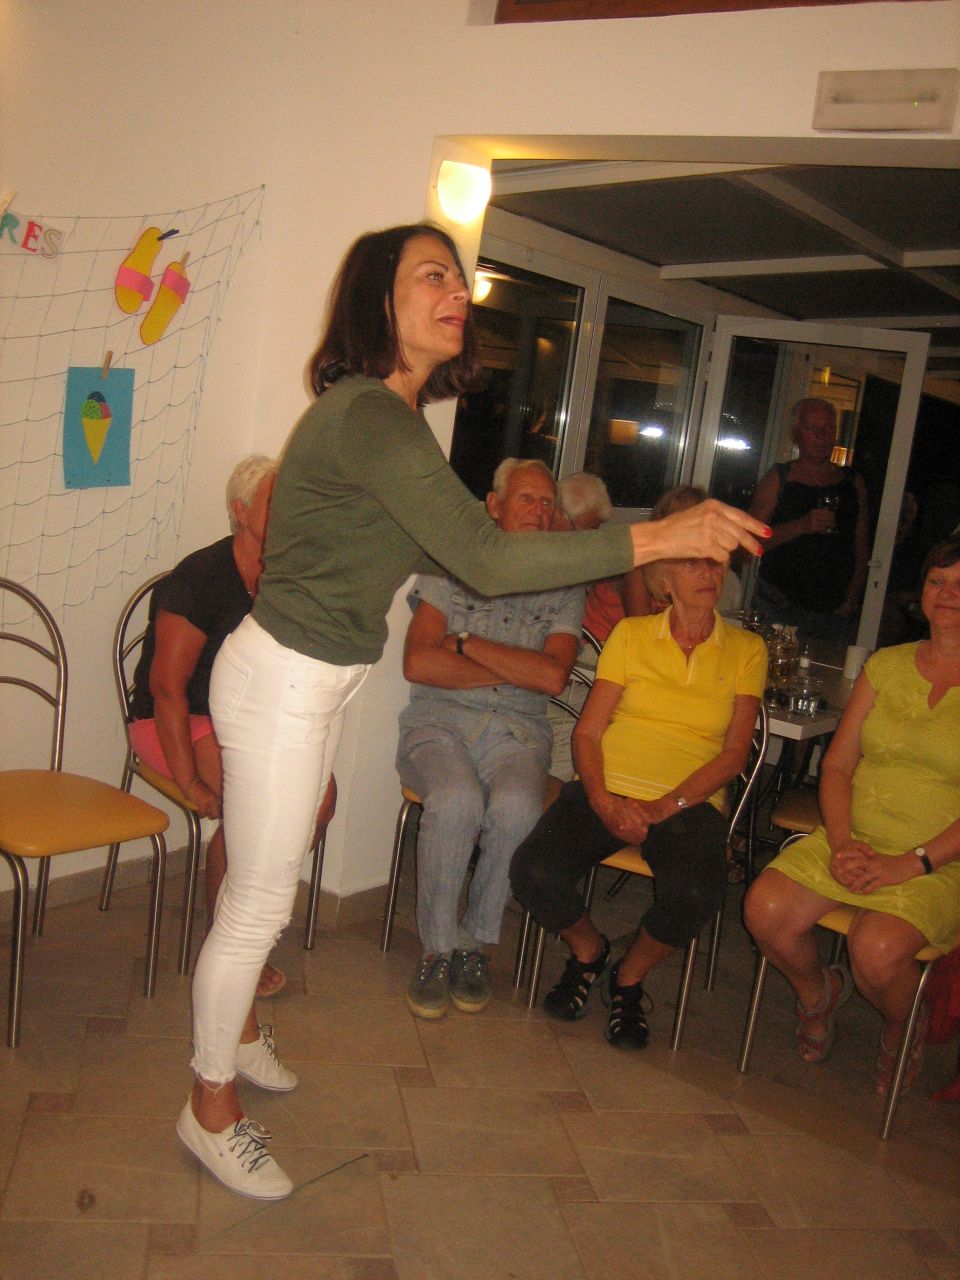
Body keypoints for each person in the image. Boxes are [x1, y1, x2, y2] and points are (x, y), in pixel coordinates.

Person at [178, 221, 769, 1201]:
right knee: (258, 902)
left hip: (307, 681)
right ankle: (208, 1106)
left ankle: (236, 1035)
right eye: (432, 276)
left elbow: (461, 549)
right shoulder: (372, 417)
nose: (458, 291)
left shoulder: (389, 421)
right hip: (283, 682)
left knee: (264, 885)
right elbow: (485, 560)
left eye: (459, 277)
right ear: (378, 300)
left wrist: (570, 546)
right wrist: (653, 538)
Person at [510, 549, 767, 1049]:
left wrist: (662, 807)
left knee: (697, 893)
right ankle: (589, 950)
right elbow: (588, 733)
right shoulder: (631, 635)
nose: (708, 574)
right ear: (664, 580)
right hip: (611, 783)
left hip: (689, 800)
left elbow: (734, 754)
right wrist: (604, 802)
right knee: (533, 870)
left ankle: (628, 976)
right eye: (692, 564)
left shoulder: (747, 649)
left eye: (715, 564)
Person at [129, 456, 336, 1064]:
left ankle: (241, 922)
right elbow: (166, 689)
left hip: (247, 721)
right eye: (277, 500)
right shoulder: (198, 578)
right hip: (174, 721)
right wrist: (189, 780)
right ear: (241, 512)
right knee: (254, 805)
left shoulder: (291, 573)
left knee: (317, 800)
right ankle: (237, 943)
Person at [743, 537, 960, 1095]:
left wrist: (909, 864)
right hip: (854, 836)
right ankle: (818, 995)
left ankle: (902, 1027)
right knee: (764, 909)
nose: (947, 594)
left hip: (938, 859)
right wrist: (841, 843)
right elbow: (837, 764)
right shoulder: (886, 666)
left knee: (876, 949)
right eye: (937, 581)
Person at [398, 458, 584, 1019]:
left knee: (518, 807)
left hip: (518, 733)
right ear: (495, 505)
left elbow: (552, 677)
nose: (539, 511)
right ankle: (437, 949)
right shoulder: (450, 566)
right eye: (526, 499)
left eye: (547, 503)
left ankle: (473, 945)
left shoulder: (565, 582)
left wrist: (466, 643)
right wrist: (515, 667)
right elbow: (418, 662)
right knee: (456, 801)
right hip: (438, 724)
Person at [749, 397, 869, 641]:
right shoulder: (779, 478)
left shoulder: (852, 482)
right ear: (796, 435)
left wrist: (851, 599)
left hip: (833, 611)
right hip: (779, 606)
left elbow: (861, 546)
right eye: (813, 428)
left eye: (828, 429)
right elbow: (750, 541)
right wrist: (801, 526)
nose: (822, 436)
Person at [556, 471, 653, 640]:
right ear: (560, 517)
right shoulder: (537, 553)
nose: (592, 541)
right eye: (586, 532)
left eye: (596, 531)